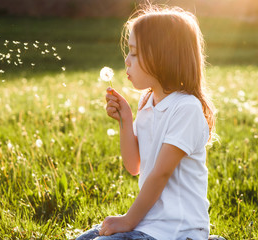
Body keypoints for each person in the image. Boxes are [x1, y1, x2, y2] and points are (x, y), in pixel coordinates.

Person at [76, 4, 217, 240]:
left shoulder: (186, 108)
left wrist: (128, 220)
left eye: (134, 52)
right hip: (150, 223)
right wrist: (126, 119)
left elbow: (160, 174)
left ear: (162, 55)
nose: (126, 60)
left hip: (178, 231)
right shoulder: (147, 101)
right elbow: (134, 165)